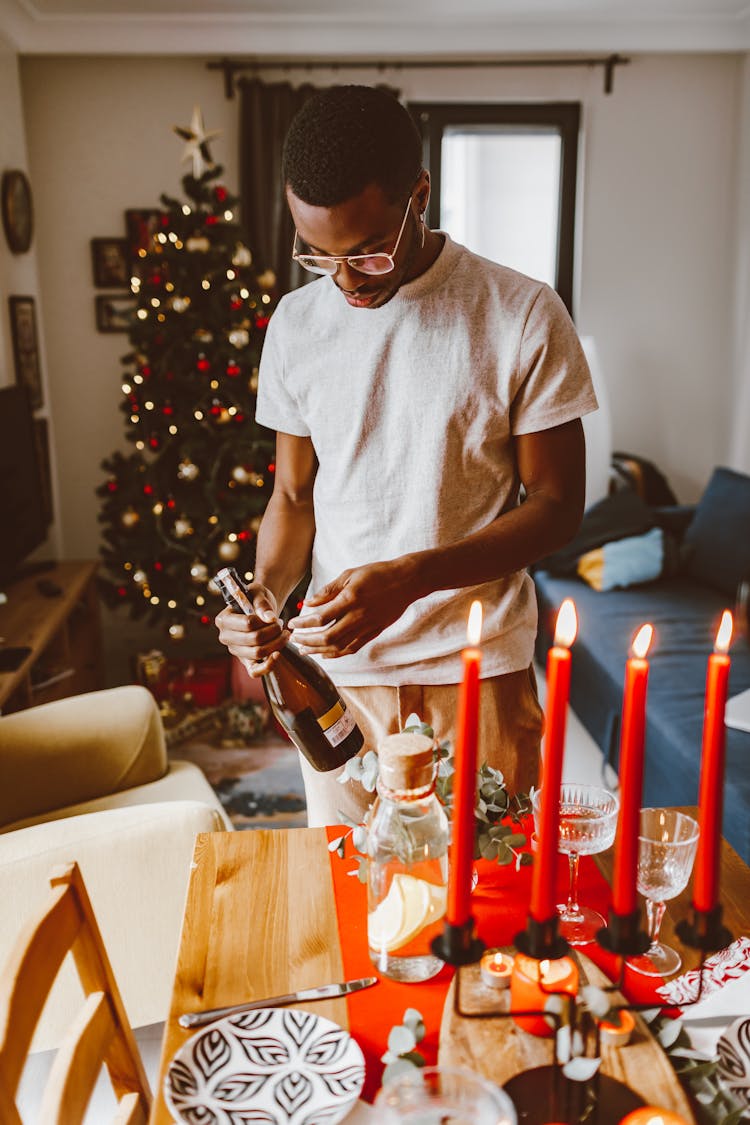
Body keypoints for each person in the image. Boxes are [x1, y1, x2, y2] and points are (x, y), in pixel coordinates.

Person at [216, 84, 598, 827]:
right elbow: (293, 499)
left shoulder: (519, 313)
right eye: (317, 255)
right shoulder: (295, 324)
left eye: (365, 250)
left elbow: (558, 508)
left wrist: (412, 577)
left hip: (478, 665)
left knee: (486, 901)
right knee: (360, 902)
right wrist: (262, 596)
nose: (345, 281)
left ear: (419, 193)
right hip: (339, 676)